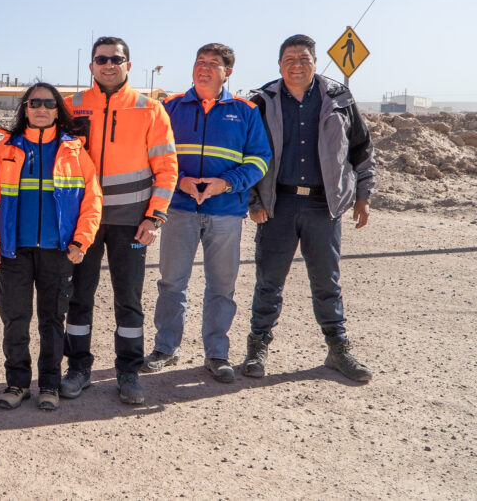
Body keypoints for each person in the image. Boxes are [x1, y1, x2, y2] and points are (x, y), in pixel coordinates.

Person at [243, 34, 375, 382]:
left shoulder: (338, 98)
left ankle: (338, 348)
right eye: (289, 59)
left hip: (323, 205)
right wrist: (254, 201)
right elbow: (248, 155)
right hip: (278, 204)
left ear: (315, 62)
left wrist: (363, 195)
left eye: (303, 59)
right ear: (279, 64)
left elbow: (361, 148)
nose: (296, 65)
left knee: (326, 282)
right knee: (268, 281)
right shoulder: (262, 101)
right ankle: (257, 347)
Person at [144, 43, 271, 382]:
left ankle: (217, 353)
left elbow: (259, 160)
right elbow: (152, 156)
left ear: (227, 72)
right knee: (172, 283)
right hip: (179, 208)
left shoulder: (245, 110)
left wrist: (226, 184)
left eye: (213, 64)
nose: (204, 68)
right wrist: (181, 182)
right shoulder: (170, 108)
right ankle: (165, 348)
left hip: (226, 212)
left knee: (221, 287)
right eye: (200, 62)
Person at [61, 37, 178, 404]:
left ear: (128, 64)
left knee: (128, 299)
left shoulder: (150, 109)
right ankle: (77, 368)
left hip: (132, 221)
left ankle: (128, 371)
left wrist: (154, 217)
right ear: (91, 65)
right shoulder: (71, 106)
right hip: (84, 222)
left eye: (116, 59)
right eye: (101, 59)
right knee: (79, 296)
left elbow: (167, 168)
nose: (109, 64)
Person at [0, 83, 102, 411]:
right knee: (15, 319)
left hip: (58, 252)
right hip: (14, 252)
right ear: (26, 109)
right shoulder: (7, 148)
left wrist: (81, 241)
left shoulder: (74, 150)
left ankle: (49, 384)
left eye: (49, 103)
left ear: (58, 110)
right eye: (35, 103)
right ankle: (17, 384)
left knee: (51, 320)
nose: (42, 108)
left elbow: (93, 200)